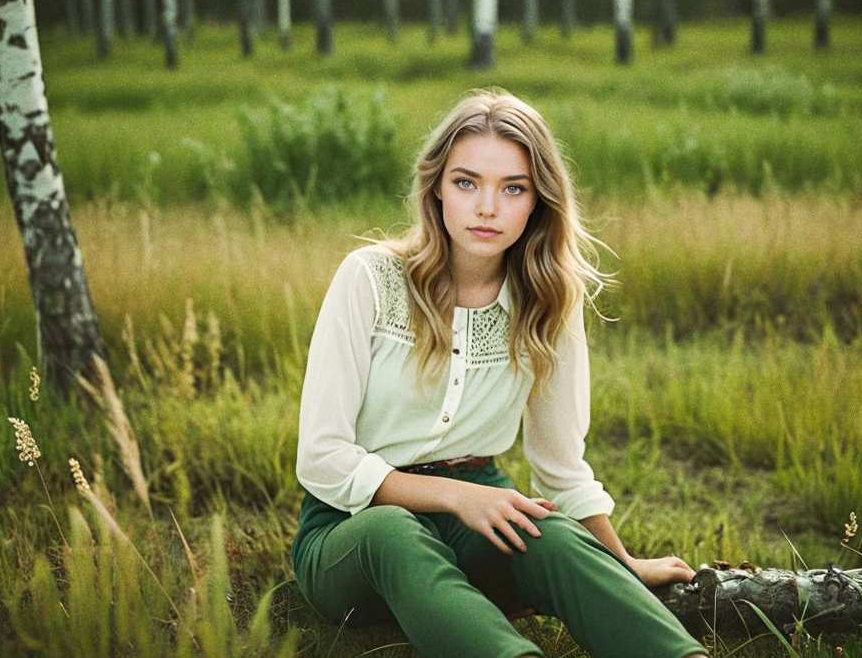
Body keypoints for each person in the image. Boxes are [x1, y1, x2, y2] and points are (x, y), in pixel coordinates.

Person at [292, 89, 707, 658]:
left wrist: (622, 564)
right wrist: (457, 497)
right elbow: (321, 457)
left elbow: (561, 467)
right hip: (352, 533)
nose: (487, 208)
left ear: (538, 201)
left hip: (482, 523)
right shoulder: (369, 279)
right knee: (394, 531)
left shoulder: (548, 300)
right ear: (436, 186)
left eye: (513, 188)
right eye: (467, 183)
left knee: (550, 531)